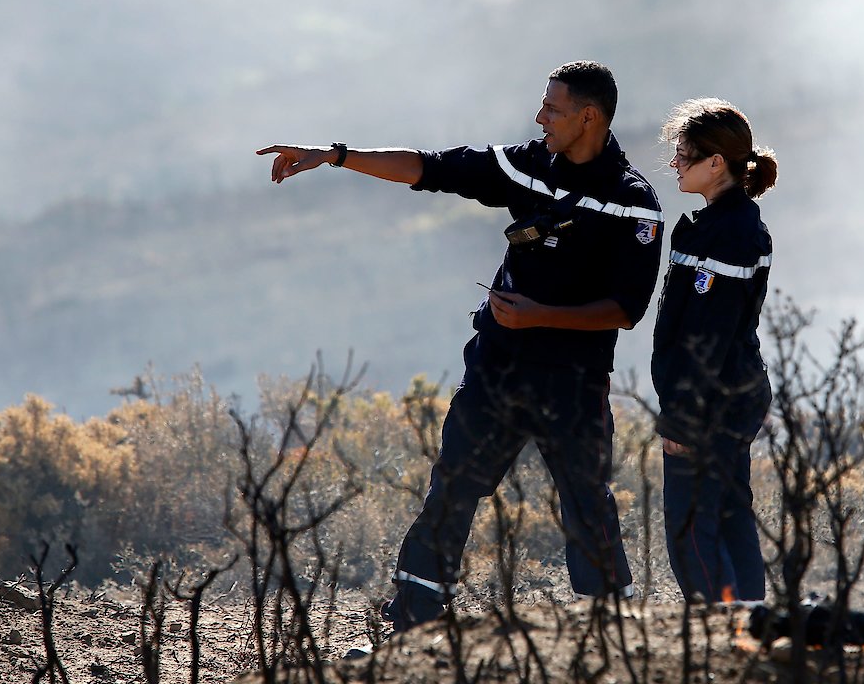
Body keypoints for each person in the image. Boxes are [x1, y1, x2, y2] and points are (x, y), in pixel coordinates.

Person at [257, 61, 663, 637]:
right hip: (496, 367)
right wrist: (336, 155)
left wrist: (540, 317)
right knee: (453, 485)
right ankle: (415, 617)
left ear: (589, 116)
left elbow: (627, 308)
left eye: (553, 109)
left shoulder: (633, 202)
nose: (540, 117)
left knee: (584, 499)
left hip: (572, 382)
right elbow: (431, 168)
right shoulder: (526, 166)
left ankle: (611, 623)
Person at [650, 98, 777, 605]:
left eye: (683, 154)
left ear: (715, 163)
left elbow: (710, 334)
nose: (675, 164)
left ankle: (723, 634)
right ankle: (752, 627)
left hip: (711, 401)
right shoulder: (718, 224)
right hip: (730, 394)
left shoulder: (733, 233)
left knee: (688, 527)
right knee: (728, 514)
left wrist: (683, 417)